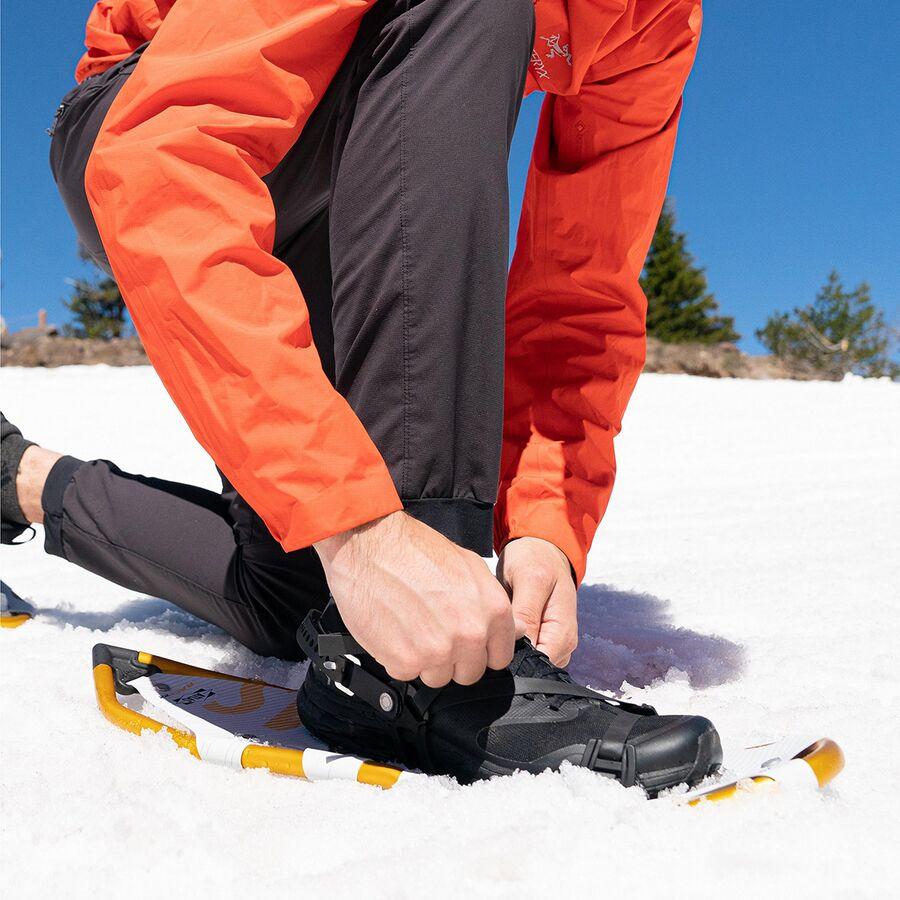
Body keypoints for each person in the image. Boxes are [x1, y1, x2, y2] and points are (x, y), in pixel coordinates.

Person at [1, 0, 720, 791]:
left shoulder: (652, 20)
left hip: (345, 164)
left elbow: (579, 289)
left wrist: (545, 526)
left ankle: (16, 479)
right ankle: (415, 668)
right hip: (151, 112)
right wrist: (366, 527)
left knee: (304, 602)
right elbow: (159, 159)